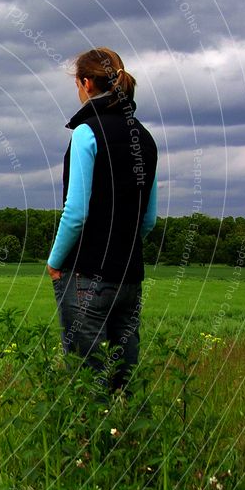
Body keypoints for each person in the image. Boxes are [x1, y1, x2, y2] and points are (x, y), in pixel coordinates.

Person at [46, 47, 158, 396]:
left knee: (86, 383)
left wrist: (54, 261)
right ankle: (127, 442)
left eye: (77, 84)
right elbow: (149, 219)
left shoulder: (85, 133)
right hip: (130, 276)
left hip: (86, 275)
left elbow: (76, 212)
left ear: (86, 83)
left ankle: (89, 448)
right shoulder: (146, 138)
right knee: (124, 381)